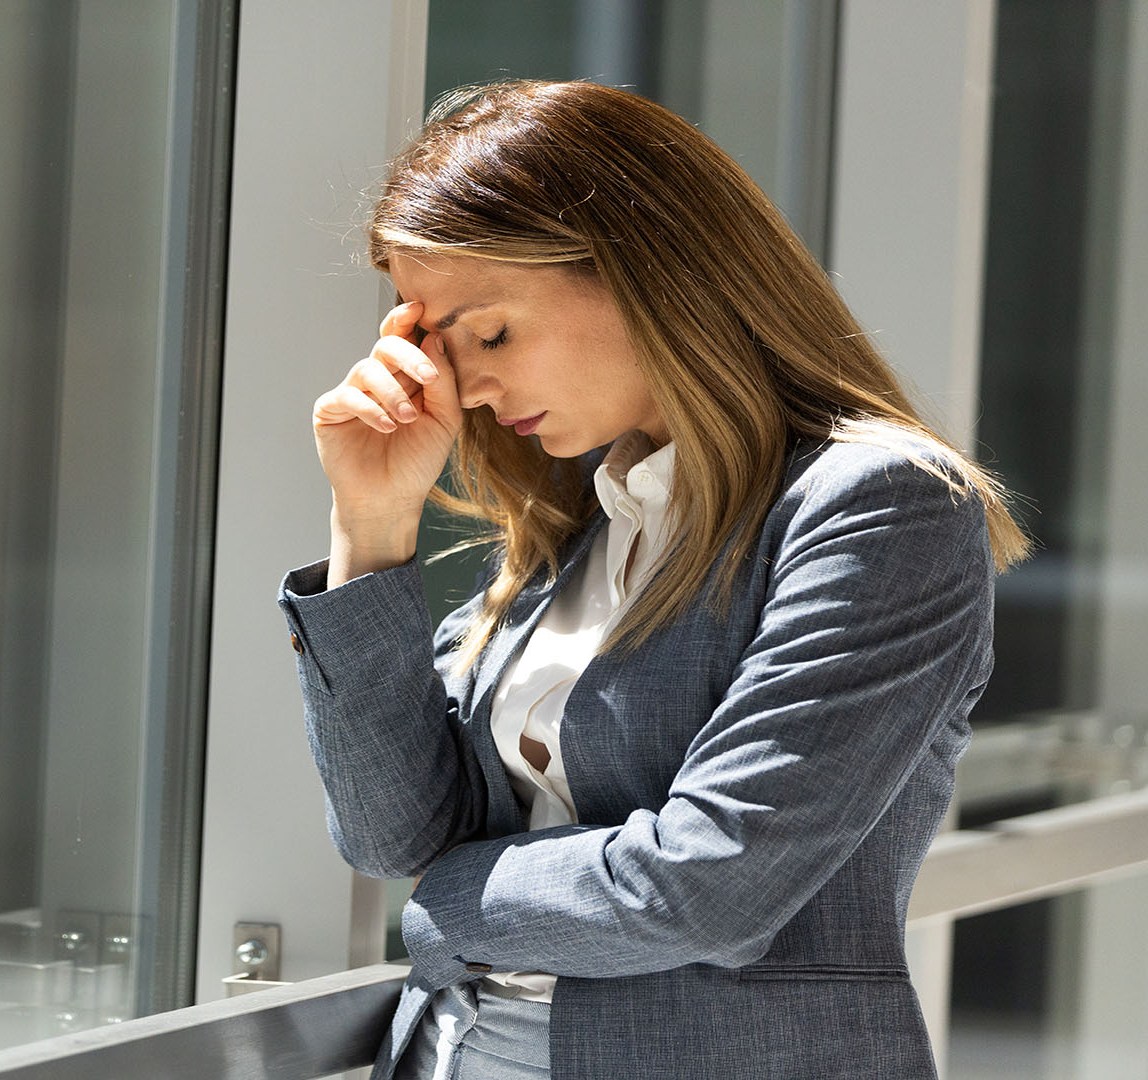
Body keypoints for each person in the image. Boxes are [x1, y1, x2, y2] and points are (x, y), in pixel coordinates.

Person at [281, 80, 1029, 1079]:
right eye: (436, 347)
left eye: (491, 333)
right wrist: (369, 529)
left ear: (644, 271)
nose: (466, 389)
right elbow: (393, 832)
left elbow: (703, 888)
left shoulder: (881, 505)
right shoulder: (594, 519)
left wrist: (446, 902)